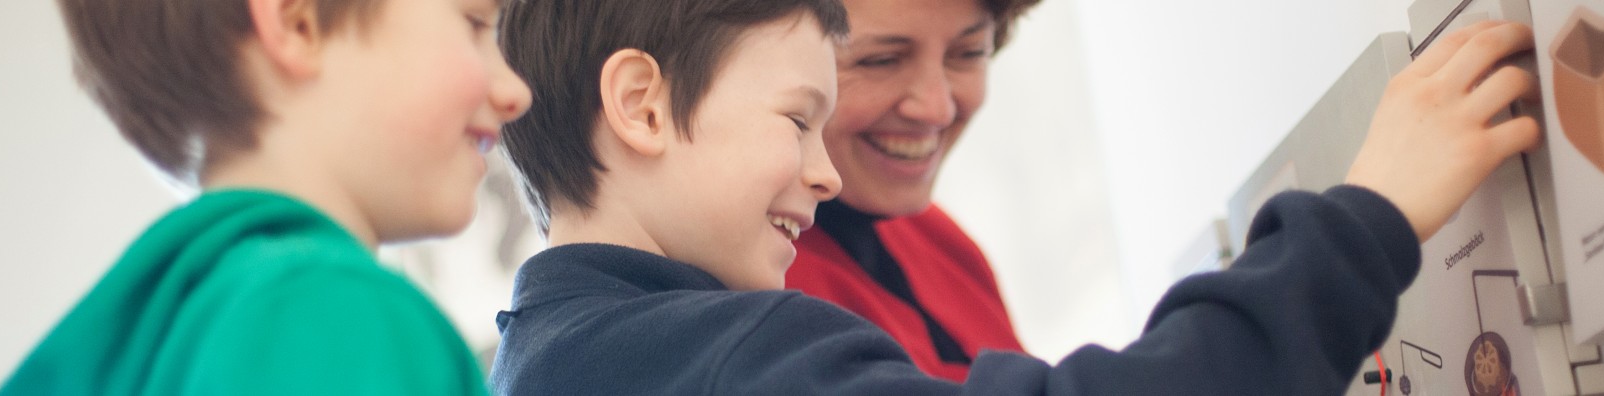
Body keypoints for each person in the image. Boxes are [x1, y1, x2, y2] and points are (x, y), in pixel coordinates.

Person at [486, 0, 1542, 392]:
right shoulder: (723, 352)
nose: (818, 169)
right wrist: (1367, 216)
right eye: (794, 119)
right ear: (641, 104)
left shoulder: (564, 347)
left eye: (970, 50)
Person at [0, 0, 530, 393]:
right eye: (476, 23)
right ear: (298, 23)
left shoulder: (145, 340)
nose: (516, 92)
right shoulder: (338, 318)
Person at [783, 0, 1040, 381]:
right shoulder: (748, 291)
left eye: (968, 53)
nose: (937, 109)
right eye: (881, 61)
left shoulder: (937, 239)